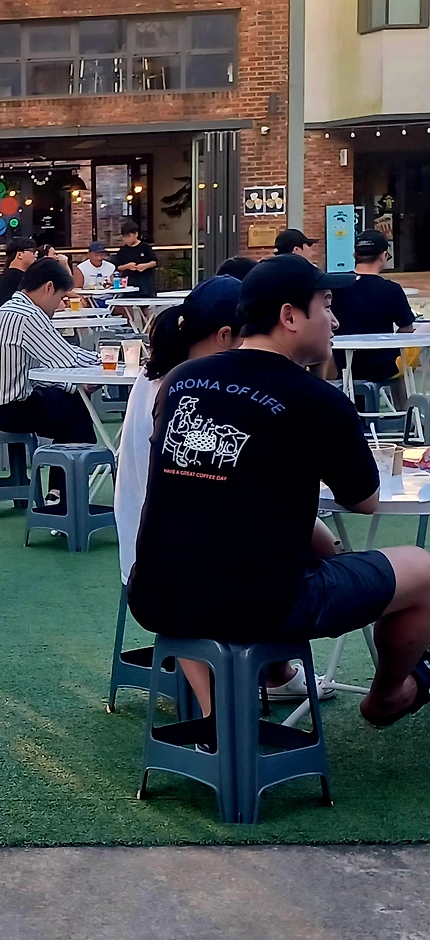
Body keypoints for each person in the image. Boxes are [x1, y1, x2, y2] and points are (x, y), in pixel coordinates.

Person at [129, 254, 430, 728]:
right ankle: (389, 696)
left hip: (157, 594)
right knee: (423, 569)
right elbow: (365, 500)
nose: (335, 320)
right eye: (326, 305)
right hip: (260, 604)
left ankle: (247, 698)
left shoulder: (181, 379)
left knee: (293, 551)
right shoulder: (316, 400)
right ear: (290, 316)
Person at [115, 275, 329, 706]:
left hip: (151, 557)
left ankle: (250, 689)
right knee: (302, 550)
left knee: (292, 541)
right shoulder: (197, 388)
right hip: (181, 560)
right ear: (227, 335)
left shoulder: (162, 376)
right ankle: (234, 704)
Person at [0, 257, 100, 444]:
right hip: (5, 410)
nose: (59, 305)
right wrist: (107, 359)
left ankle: (64, 460)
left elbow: (36, 371)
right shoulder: (28, 315)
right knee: (73, 409)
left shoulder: (4, 310)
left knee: (66, 399)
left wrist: (71, 386)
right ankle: (75, 460)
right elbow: (66, 358)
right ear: (49, 287)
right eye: (60, 297)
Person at [331, 229, 415, 385]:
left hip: (341, 365)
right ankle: (403, 400)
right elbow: (407, 329)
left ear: (355, 255)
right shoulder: (392, 290)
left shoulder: (335, 285)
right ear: (383, 256)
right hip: (381, 368)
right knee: (409, 355)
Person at [0, 237, 37, 318]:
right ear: (20, 255)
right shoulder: (19, 278)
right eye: (32, 251)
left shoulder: (6, 276)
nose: (35, 254)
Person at [114, 221, 157, 298]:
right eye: (124, 237)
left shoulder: (145, 247)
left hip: (145, 283)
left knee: (145, 302)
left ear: (136, 234)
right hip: (129, 283)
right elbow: (118, 267)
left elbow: (154, 262)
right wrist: (127, 266)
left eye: (128, 236)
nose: (126, 239)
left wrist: (145, 266)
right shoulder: (123, 250)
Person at [77, 241, 117, 306]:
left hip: (109, 299)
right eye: (96, 255)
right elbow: (77, 288)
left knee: (125, 307)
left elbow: (114, 285)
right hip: (89, 299)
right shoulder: (81, 268)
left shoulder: (111, 267)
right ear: (89, 255)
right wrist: (82, 299)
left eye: (101, 255)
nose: (99, 258)